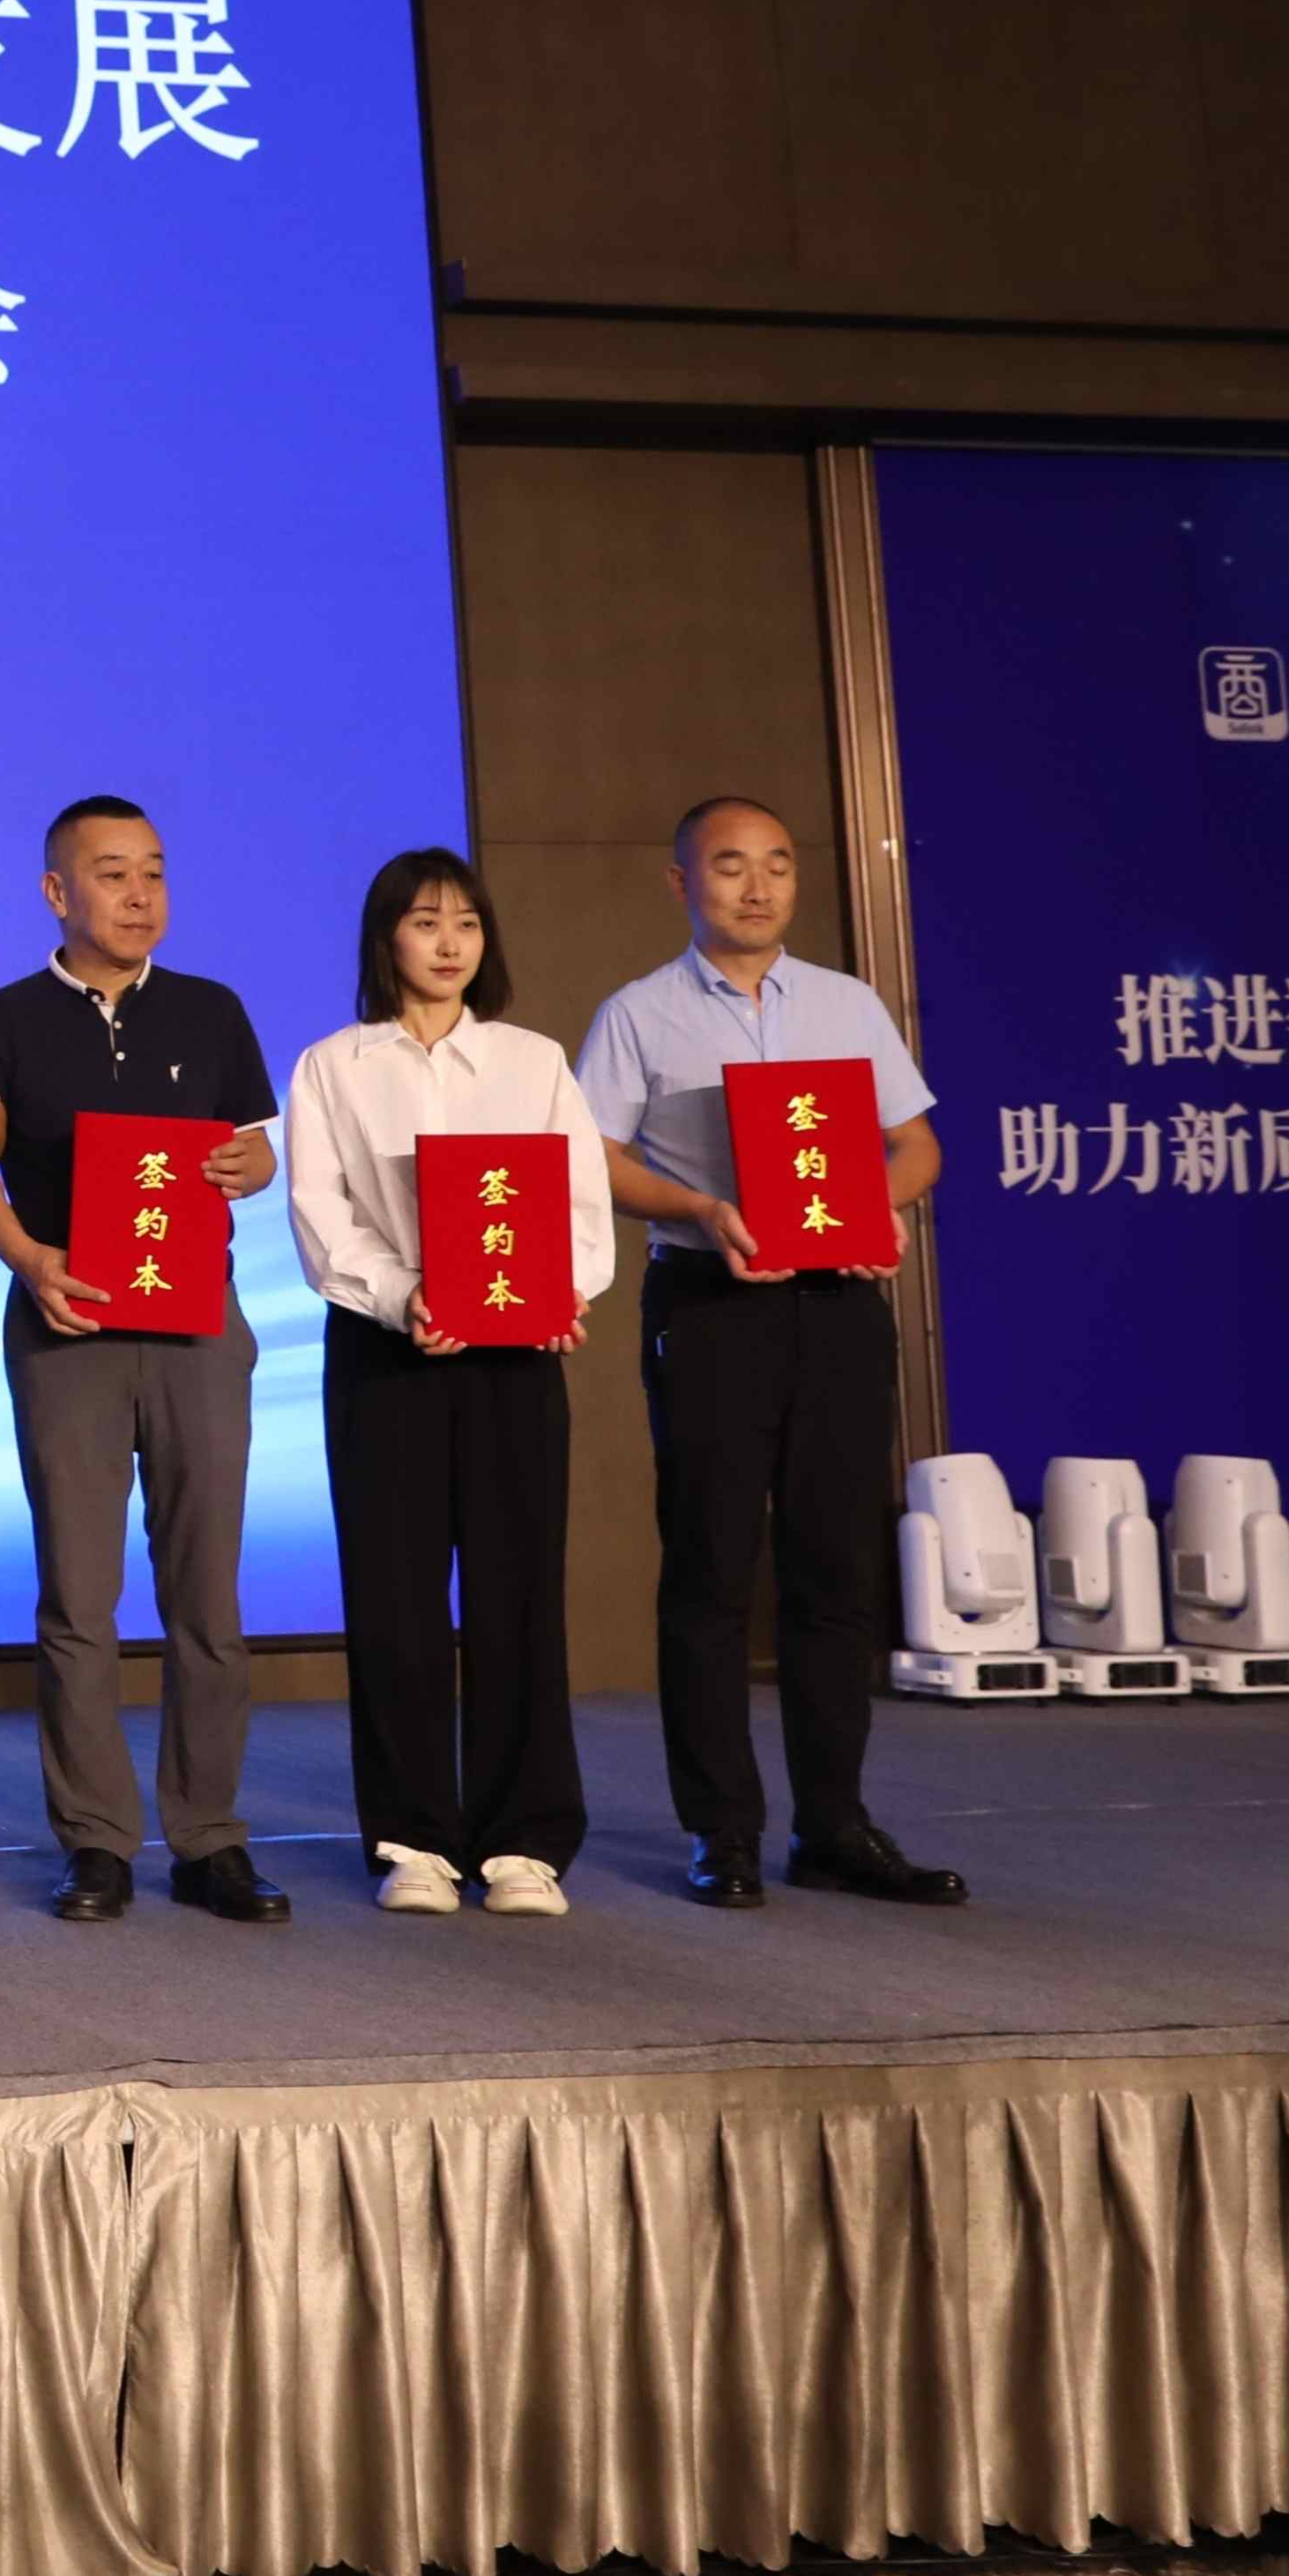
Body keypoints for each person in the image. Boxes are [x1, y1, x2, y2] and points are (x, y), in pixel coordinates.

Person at [577, 796, 963, 1911]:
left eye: (779, 866)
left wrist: (877, 1207)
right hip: (711, 1301)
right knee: (709, 1568)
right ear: (680, 882)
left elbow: (916, 1143)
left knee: (835, 1568)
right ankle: (723, 1829)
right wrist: (703, 1205)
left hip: (837, 1302)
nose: (758, 887)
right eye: (731, 865)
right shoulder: (639, 1012)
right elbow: (593, 1155)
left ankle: (835, 1823)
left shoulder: (846, 1001)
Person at [0, 797, 288, 1928]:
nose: (140, 895)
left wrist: (250, 1167)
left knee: (207, 1592)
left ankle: (210, 1836)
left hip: (197, 1328)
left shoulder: (211, 1008)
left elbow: (251, 1146)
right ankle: (96, 1840)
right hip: (68, 1325)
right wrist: (29, 1261)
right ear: (57, 892)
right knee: (78, 1597)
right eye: (112, 874)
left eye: (154, 872)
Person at [280, 848, 610, 1918]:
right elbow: (323, 1215)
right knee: (395, 1597)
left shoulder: (532, 1060)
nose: (449, 942)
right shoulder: (333, 1065)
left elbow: (581, 1208)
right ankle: (413, 1838)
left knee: (521, 1593)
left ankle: (524, 1841)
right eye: (425, 922)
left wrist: (561, 1291)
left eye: (466, 922)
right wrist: (406, 1295)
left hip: (515, 1358)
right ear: (387, 937)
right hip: (388, 1356)